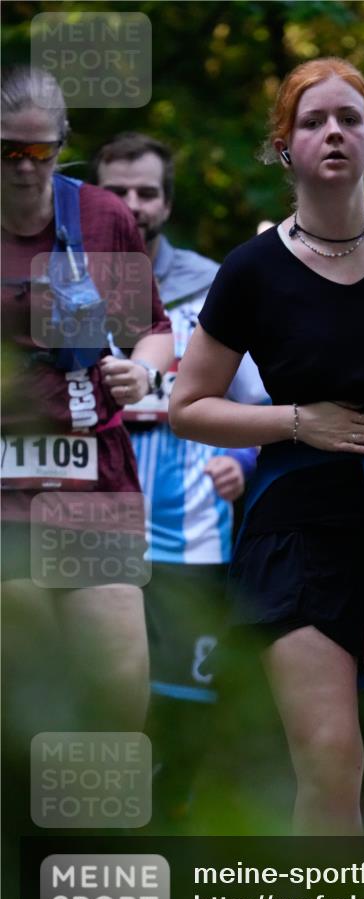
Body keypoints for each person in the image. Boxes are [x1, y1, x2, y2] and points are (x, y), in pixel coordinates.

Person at [170, 57, 364, 837]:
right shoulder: (251, 271)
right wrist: (298, 421)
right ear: (284, 148)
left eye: (349, 118)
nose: (333, 132)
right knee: (329, 764)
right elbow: (187, 408)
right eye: (313, 122)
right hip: (293, 525)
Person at [91, 133, 268, 820]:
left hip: (192, 535)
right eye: (117, 191)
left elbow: (260, 402)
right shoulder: (58, 286)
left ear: (166, 201)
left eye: (146, 191)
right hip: (89, 527)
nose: (132, 205)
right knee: (104, 696)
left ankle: (169, 833)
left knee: (183, 705)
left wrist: (244, 463)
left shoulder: (215, 285)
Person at [1, 66, 173, 735]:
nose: (21, 168)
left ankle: (94, 837)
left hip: (91, 472)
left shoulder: (103, 218)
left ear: (63, 144)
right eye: (6, 151)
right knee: (30, 677)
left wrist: (143, 373)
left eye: (38, 152)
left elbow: (152, 332)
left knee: (118, 691)